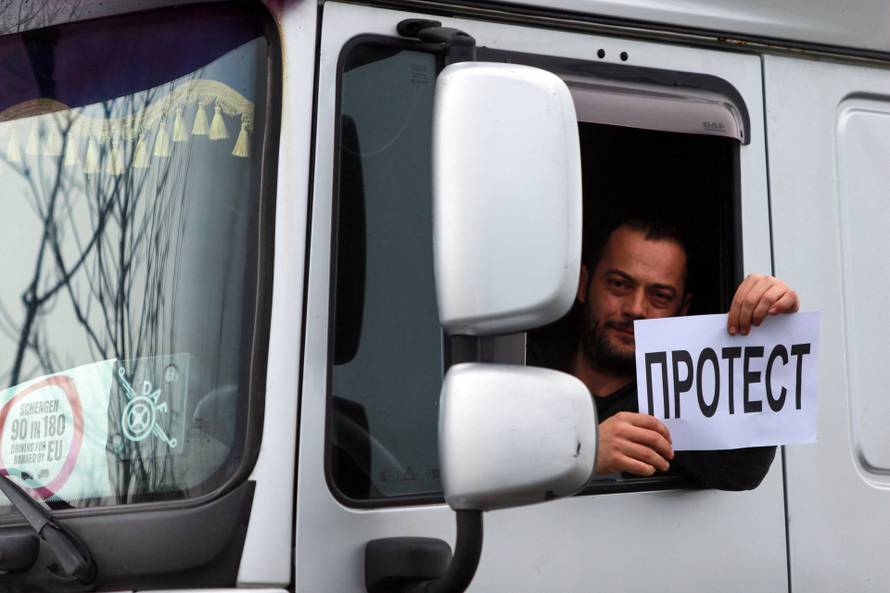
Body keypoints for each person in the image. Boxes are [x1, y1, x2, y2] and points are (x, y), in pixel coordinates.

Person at [533, 218, 800, 490]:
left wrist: (768, 335)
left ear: (682, 309)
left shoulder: (676, 399)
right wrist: (582, 454)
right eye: (619, 284)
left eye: (659, 296)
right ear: (582, 284)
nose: (635, 308)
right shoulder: (526, 370)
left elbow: (742, 470)